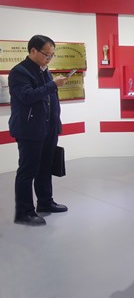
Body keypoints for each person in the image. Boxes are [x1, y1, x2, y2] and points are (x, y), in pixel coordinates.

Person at [9, 35, 69, 226]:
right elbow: (27, 96)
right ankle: (24, 212)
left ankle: (45, 202)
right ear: (33, 51)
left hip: (48, 127)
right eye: (46, 54)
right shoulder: (19, 72)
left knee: (45, 167)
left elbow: (50, 101)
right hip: (29, 129)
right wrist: (53, 85)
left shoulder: (45, 71)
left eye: (52, 55)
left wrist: (56, 124)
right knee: (28, 171)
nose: (49, 58)